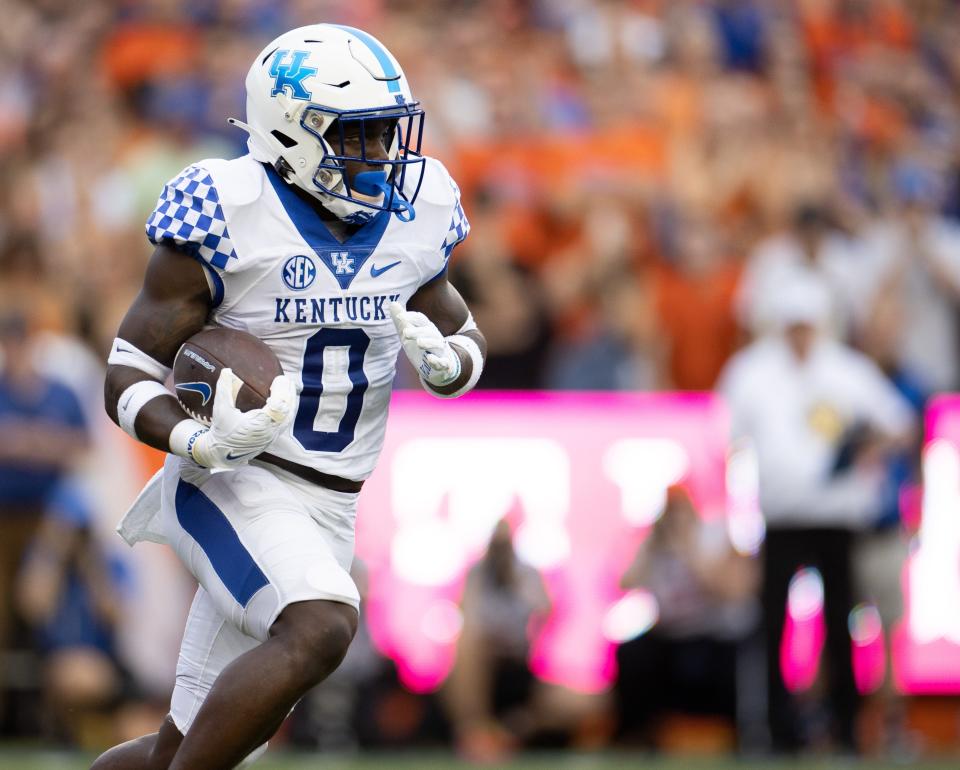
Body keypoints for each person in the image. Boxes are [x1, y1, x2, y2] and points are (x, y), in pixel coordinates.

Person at [92, 24, 486, 770]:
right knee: (322, 624)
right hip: (233, 479)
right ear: (289, 133)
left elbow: (461, 333)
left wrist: (449, 364)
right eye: (358, 137)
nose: (381, 158)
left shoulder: (418, 210)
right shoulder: (227, 208)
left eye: (385, 134)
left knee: (181, 752)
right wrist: (196, 440)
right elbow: (127, 369)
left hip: (333, 503)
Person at [718, 275, 915, 754]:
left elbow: (901, 425)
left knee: (840, 625)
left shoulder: (846, 370)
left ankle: (846, 730)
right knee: (771, 625)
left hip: (836, 518)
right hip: (781, 518)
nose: (800, 335)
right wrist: (734, 519)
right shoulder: (752, 371)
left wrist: (868, 449)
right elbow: (726, 442)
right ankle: (775, 731)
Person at [444, 520, 551, 762]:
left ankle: (504, 735)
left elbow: (544, 608)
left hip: (518, 663)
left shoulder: (526, 573)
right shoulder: (478, 573)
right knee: (467, 649)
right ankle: (476, 733)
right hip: (484, 663)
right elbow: (467, 612)